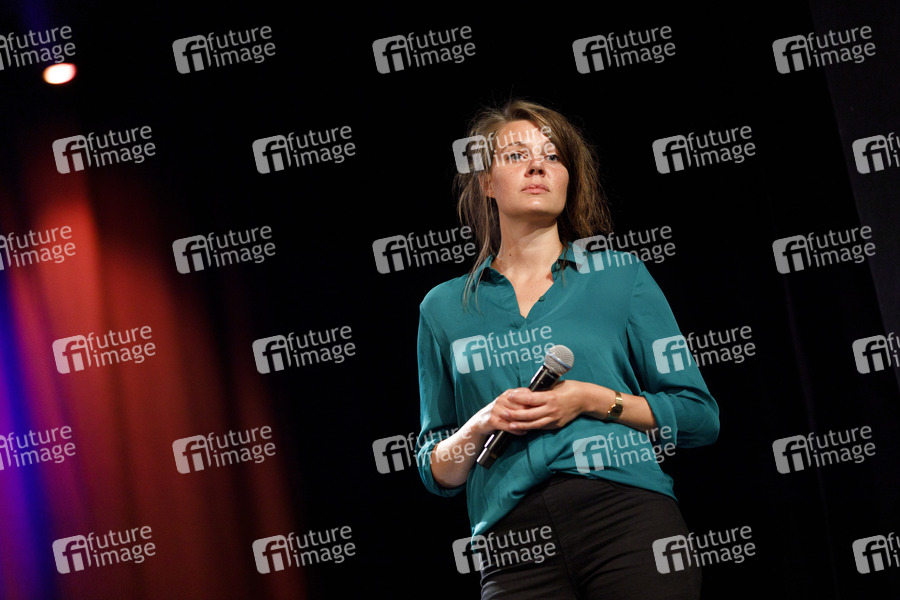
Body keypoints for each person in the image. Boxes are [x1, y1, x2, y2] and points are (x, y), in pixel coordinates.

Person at [416, 99, 719, 599]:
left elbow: (699, 417)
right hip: (513, 547)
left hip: (625, 517)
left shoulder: (619, 276)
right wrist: (483, 421)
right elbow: (438, 470)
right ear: (487, 182)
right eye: (517, 155)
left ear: (567, 179)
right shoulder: (444, 308)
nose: (538, 166)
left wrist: (590, 400)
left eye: (553, 156)